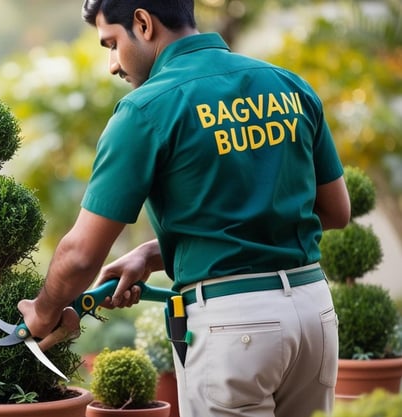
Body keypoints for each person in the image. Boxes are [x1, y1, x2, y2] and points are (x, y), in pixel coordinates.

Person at [18, 1, 351, 416]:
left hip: (235, 324)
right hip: (314, 311)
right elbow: (335, 212)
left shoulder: (145, 109)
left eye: (112, 43)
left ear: (143, 22)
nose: (112, 65)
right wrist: (151, 254)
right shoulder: (288, 85)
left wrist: (43, 311)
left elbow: (81, 254)